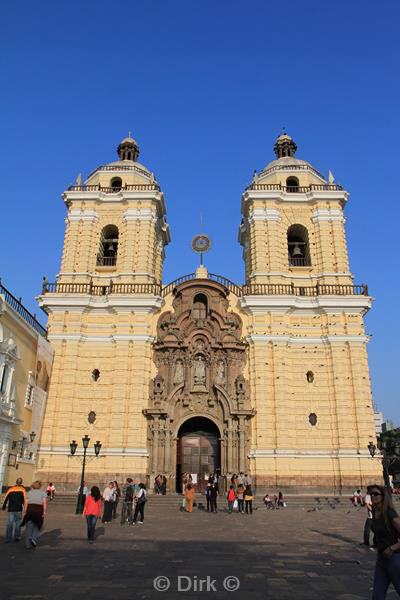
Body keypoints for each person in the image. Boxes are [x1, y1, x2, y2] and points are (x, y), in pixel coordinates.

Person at [370, 484, 400, 598]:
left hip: (395, 559)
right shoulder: (375, 513)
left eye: (376, 494)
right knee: (377, 596)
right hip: (381, 559)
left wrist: (392, 548)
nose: (372, 496)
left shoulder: (390, 514)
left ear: (383, 496)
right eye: (371, 494)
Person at [21, 480, 47, 549]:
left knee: (29, 526)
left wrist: (24, 512)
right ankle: (33, 538)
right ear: (40, 486)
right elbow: (44, 503)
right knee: (37, 526)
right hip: (38, 510)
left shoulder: (28, 493)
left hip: (30, 510)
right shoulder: (43, 493)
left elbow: (26, 503)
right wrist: (44, 512)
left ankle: (27, 544)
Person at [2, 478, 26, 543]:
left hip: (11, 509)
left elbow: (5, 498)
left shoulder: (10, 489)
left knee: (10, 524)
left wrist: (3, 507)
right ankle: (17, 537)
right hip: (18, 509)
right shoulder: (23, 490)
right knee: (18, 523)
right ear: (21, 483)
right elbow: (25, 501)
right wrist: (25, 510)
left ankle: (8, 538)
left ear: (16, 482)